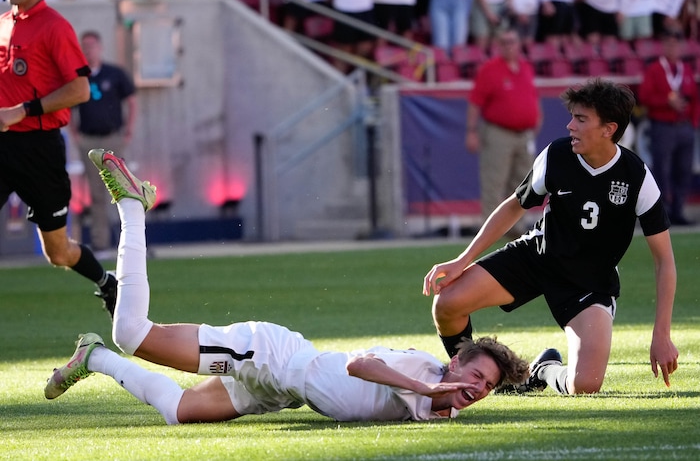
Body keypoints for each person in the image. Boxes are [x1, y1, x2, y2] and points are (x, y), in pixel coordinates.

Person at [44, 149, 528, 424]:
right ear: (454, 361)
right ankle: (134, 204)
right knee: (133, 334)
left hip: (284, 390)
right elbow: (362, 364)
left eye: (486, 386)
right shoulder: (424, 369)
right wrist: (425, 383)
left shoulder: (444, 408)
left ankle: (93, 357)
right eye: (475, 375)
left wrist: (438, 396)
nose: (477, 388)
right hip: (268, 356)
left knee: (178, 411)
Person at [424, 78, 679, 395]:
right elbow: (514, 206)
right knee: (447, 304)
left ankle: (543, 372)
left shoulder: (636, 176)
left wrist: (662, 334)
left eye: (581, 119)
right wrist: (463, 260)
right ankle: (477, 378)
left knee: (585, 385)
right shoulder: (557, 155)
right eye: (572, 116)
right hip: (537, 258)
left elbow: (665, 261)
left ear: (608, 129)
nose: (570, 125)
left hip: (588, 284)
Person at [0, 0, 117, 315]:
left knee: (58, 253)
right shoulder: (3, 24)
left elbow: (79, 90)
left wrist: (22, 111)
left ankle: (107, 282)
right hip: (3, 143)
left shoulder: (55, 26)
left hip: (40, 150)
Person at [466, 27, 542, 236]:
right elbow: (475, 102)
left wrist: (537, 118)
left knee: (522, 182)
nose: (509, 46)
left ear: (519, 44)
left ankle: (515, 228)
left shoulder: (525, 67)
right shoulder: (490, 69)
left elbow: (532, 96)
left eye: (512, 42)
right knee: (494, 181)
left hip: (524, 133)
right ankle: (490, 232)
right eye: (505, 42)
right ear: (498, 46)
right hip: (499, 132)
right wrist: (471, 130)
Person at [69, 30, 137, 255]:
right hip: (89, 140)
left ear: (100, 47)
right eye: (85, 46)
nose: (89, 50)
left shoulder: (114, 74)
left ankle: (129, 241)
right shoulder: (78, 77)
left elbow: (131, 101)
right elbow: (68, 107)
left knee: (121, 189)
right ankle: (101, 243)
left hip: (112, 138)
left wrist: (127, 131)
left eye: (92, 45)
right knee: (96, 194)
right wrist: (75, 135)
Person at [638, 28, 699, 226]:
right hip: (662, 125)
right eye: (669, 44)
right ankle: (661, 213)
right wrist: (666, 102)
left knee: (683, 168)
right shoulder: (655, 69)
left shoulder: (686, 69)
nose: (673, 48)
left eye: (676, 44)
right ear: (663, 46)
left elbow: (694, 97)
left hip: (684, 126)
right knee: (662, 170)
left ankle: (678, 210)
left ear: (681, 47)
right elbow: (644, 96)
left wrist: (694, 122)